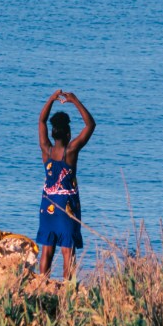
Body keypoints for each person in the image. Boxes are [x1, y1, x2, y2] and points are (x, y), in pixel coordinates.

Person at [36, 88, 96, 279]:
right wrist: (75, 100)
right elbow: (90, 124)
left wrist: (51, 99)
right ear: (69, 134)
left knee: (47, 247)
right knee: (67, 250)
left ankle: (41, 286)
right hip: (66, 206)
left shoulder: (46, 149)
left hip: (47, 205)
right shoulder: (70, 151)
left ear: (53, 133)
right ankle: (67, 291)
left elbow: (41, 121)